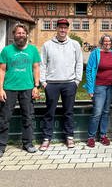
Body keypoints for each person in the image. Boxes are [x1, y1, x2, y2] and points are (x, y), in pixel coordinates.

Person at [39, 18, 83, 151]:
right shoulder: (47, 45)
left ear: (67, 29)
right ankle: (46, 138)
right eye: (60, 27)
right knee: (49, 112)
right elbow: (43, 64)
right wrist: (43, 82)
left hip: (69, 83)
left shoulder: (74, 44)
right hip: (52, 84)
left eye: (65, 27)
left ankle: (69, 137)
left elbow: (79, 62)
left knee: (68, 111)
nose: (62, 30)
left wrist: (77, 81)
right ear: (56, 28)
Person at [0, 23, 41, 157]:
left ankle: (28, 143)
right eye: (18, 33)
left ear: (26, 34)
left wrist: (36, 86)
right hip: (9, 88)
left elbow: (36, 68)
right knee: (4, 118)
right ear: (14, 35)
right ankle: (1, 145)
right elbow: (2, 70)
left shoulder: (33, 50)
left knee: (28, 117)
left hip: (28, 88)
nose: (21, 35)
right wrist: (0, 88)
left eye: (23, 33)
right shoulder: (6, 50)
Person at [84, 34, 112, 147]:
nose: (107, 43)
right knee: (97, 112)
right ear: (102, 42)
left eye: (109, 42)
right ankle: (91, 137)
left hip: (111, 87)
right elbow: (89, 70)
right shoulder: (95, 53)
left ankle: (103, 135)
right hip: (99, 86)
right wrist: (90, 88)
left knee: (106, 112)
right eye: (105, 41)